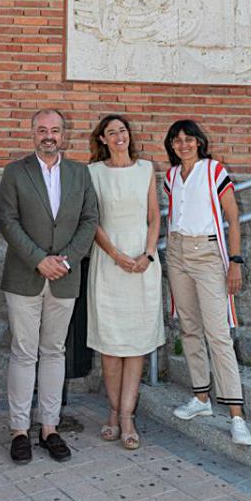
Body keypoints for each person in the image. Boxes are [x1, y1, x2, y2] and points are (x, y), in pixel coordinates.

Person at [0, 109, 98, 464]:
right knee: (24, 352)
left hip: (65, 277)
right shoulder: (15, 172)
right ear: (32, 134)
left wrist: (66, 260)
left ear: (64, 135)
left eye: (55, 130)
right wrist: (39, 259)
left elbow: (90, 220)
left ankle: (50, 428)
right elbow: (7, 221)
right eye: (42, 130)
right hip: (25, 274)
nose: (48, 136)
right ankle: (19, 430)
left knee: (54, 352)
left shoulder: (80, 174)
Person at [163, 119, 251, 446]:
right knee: (189, 327)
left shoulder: (214, 171)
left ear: (199, 142)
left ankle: (236, 415)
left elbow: (232, 218)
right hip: (176, 252)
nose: (183, 144)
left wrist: (235, 262)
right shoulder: (171, 177)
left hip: (208, 254)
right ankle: (201, 399)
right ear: (171, 146)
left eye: (189, 139)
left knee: (218, 334)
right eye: (177, 140)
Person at [87, 114, 164, 450]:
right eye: (111, 132)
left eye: (122, 131)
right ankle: (113, 411)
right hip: (108, 262)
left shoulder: (146, 169)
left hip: (143, 265)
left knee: (136, 342)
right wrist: (117, 255)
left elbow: (153, 216)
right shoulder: (92, 173)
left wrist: (147, 254)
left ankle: (128, 417)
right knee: (110, 343)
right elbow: (91, 221)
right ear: (102, 139)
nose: (119, 136)